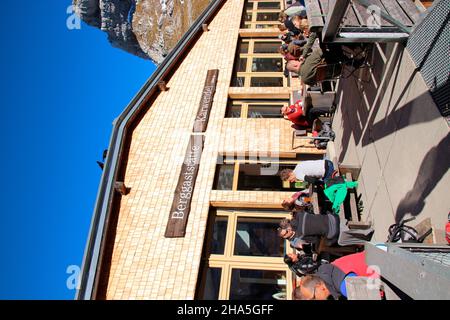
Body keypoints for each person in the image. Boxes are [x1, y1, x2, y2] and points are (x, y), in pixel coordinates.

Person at [292, 251, 380, 300]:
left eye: (314, 298)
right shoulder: (330, 270)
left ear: (320, 287)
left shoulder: (344, 286)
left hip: (387, 271)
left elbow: (374, 296)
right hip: (379, 256)